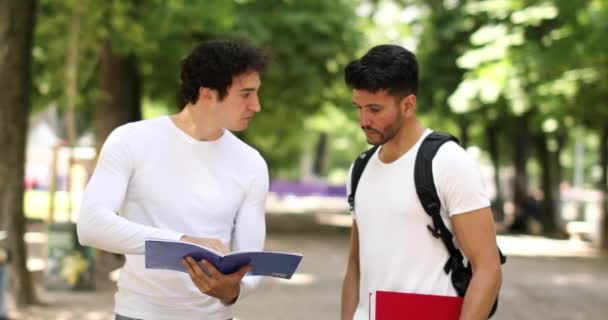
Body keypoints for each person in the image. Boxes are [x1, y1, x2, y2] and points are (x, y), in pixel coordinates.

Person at [77, 40, 270, 320]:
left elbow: (250, 259)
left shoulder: (251, 163)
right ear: (207, 93)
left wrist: (234, 291)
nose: (256, 105)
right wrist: (183, 243)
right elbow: (91, 225)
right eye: (246, 94)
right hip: (139, 314)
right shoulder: (131, 140)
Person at [340, 45, 502, 320]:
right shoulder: (360, 168)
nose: (364, 120)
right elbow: (355, 266)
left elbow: (488, 269)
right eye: (359, 107)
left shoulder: (447, 162)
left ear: (408, 105)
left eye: (375, 109)